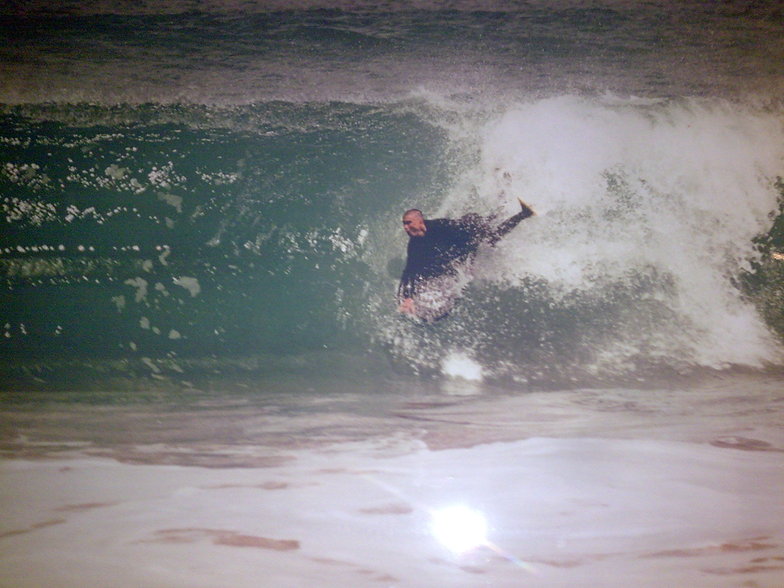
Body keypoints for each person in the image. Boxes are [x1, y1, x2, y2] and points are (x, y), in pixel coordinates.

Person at [398, 198, 535, 319]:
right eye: (404, 224)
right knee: (490, 226)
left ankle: (522, 213)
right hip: (462, 244)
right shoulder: (414, 244)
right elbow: (410, 270)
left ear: (419, 220)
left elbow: (465, 236)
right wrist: (408, 297)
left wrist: (472, 257)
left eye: (408, 223)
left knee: (492, 237)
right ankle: (504, 203)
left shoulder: (440, 226)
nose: (405, 227)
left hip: (469, 229)